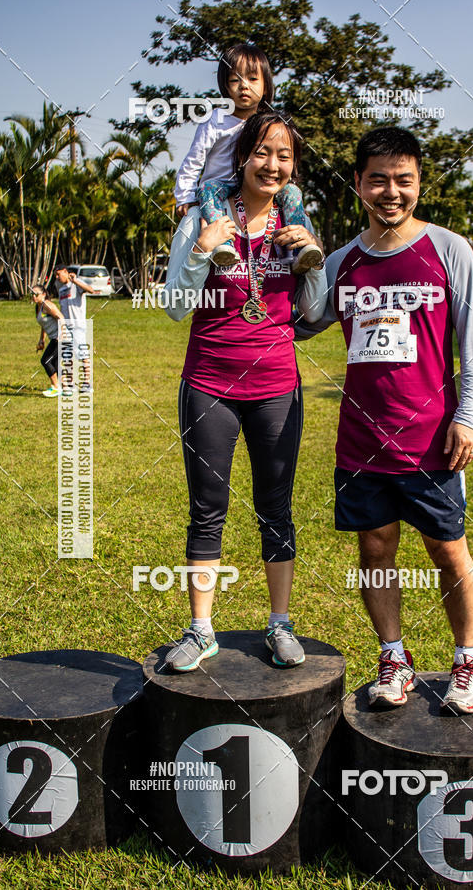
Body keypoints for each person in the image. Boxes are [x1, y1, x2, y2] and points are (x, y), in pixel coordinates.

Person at [295, 127, 473, 715]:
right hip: (361, 441)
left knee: (447, 549)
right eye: (378, 178)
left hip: (432, 439)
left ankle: (467, 661)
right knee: (376, 549)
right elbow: (305, 323)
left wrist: (470, 417)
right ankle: (394, 657)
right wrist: (299, 260)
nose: (391, 191)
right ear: (358, 183)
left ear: (419, 183)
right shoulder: (342, 260)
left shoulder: (448, 250)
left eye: (403, 179)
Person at [163, 111, 326, 673]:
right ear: (242, 157)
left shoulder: (296, 224)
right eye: (262, 152)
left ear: (293, 166)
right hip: (209, 383)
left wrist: (313, 261)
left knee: (275, 508)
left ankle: (279, 623)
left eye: (284, 156)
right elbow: (175, 304)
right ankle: (201, 629)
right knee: (207, 509)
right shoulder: (205, 219)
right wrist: (204, 248)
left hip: (277, 386)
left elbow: (313, 311)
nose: (273, 164)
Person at [174, 42, 323, 272]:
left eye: (253, 79)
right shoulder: (216, 120)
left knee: (293, 191)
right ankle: (223, 246)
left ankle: (298, 248)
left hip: (257, 185)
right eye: (235, 80)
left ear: (266, 85)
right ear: (225, 85)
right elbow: (194, 159)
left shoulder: (267, 123)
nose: (244, 86)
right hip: (221, 185)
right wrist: (185, 196)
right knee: (207, 190)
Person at [53, 266, 100, 393]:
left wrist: (75, 281)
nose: (57, 278)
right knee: (68, 356)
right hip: (66, 327)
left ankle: (87, 383)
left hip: (77, 326)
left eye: (58, 274)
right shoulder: (61, 289)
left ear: (65, 272)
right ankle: (70, 383)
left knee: (83, 354)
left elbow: (90, 290)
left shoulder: (76, 284)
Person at [32, 284, 64, 397]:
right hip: (54, 338)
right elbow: (44, 324)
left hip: (61, 337)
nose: (33, 296)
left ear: (44, 294)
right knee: (54, 362)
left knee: (46, 360)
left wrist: (61, 335)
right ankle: (66, 387)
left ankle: (56, 387)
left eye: (36, 294)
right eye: (32, 294)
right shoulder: (38, 307)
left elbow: (61, 317)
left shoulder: (47, 305)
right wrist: (42, 339)